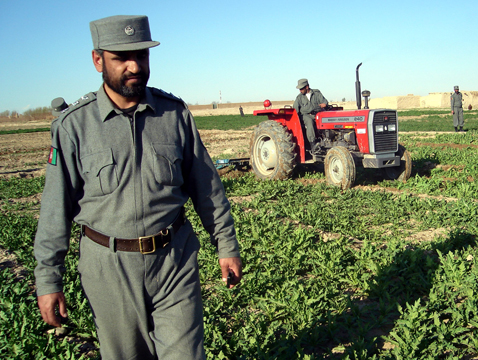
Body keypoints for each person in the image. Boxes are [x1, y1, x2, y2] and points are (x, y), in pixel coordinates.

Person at [34, 15, 242, 360]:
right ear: (97, 60)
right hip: (109, 269)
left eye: (142, 56)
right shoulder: (74, 127)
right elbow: (55, 210)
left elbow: (207, 187)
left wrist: (226, 244)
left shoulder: (173, 115)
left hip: (173, 259)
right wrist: (48, 280)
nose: (134, 66)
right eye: (121, 58)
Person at [293, 78, 328, 151]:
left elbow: (325, 102)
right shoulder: (299, 98)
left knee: (326, 120)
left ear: (307, 87)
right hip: (306, 115)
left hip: (317, 114)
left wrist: (324, 104)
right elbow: (295, 110)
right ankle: (313, 144)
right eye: (299, 89)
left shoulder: (316, 93)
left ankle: (327, 141)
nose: (300, 90)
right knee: (309, 121)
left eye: (301, 88)